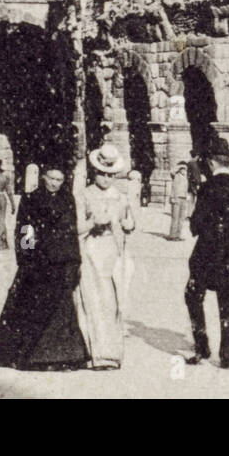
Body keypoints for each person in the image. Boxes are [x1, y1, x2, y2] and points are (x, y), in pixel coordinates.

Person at [0, 167, 89, 371]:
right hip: (38, 261)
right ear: (43, 177)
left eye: (59, 179)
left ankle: (57, 356)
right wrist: (26, 258)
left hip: (60, 260)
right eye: (51, 178)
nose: (55, 183)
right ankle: (26, 354)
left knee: (60, 308)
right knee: (29, 306)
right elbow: (25, 229)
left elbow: (70, 231)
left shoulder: (67, 200)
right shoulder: (31, 198)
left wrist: (74, 259)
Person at [184, 135, 229, 369]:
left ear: (211, 162)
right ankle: (227, 355)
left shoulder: (206, 188)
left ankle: (202, 345)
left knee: (193, 296)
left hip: (206, 253)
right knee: (228, 303)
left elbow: (196, 225)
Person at [77, 145, 136, 369]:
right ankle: (94, 353)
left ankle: (110, 353)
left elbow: (128, 222)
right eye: (102, 173)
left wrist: (128, 224)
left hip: (113, 252)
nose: (106, 178)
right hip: (91, 251)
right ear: (94, 172)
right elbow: (77, 227)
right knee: (93, 300)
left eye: (110, 174)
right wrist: (93, 223)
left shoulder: (120, 197)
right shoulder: (84, 195)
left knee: (113, 302)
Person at [167, 161, 190, 241]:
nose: (184, 171)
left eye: (185, 169)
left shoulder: (186, 178)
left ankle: (178, 235)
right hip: (176, 198)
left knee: (181, 218)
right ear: (179, 170)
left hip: (183, 198)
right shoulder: (176, 176)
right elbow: (173, 187)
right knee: (175, 217)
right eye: (182, 169)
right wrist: (172, 197)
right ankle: (172, 235)